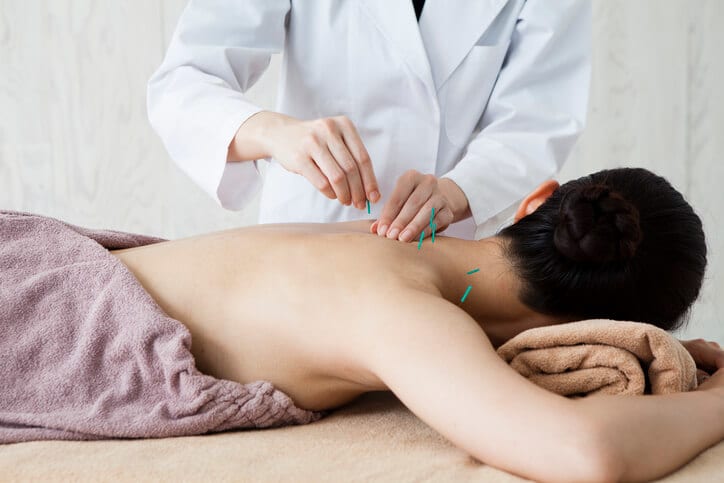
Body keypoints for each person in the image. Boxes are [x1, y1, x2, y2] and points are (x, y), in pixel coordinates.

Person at [110, 167, 724, 482]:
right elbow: (587, 455)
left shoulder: (397, 240)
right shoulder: (404, 317)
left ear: (538, 200)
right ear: (596, 328)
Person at [147, 0, 591, 240]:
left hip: (448, 251)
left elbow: (537, 119)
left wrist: (460, 191)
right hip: (310, 240)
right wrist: (274, 133)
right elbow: (183, 81)